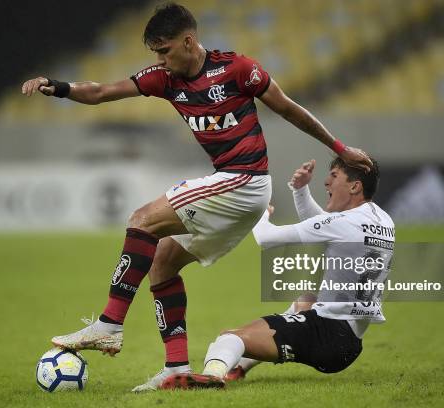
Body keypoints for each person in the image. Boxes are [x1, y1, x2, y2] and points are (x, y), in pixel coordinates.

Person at [21, 3, 372, 392]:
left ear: (188, 41)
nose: (160, 60)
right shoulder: (164, 79)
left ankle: (109, 324)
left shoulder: (238, 69)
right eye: (155, 52)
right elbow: (102, 91)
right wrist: (60, 87)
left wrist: (339, 146)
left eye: (165, 50)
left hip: (245, 180)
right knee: (162, 263)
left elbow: (289, 110)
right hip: (235, 192)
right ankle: (176, 368)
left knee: (141, 218)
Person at [161, 157, 395, 390]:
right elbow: (328, 225)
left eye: (334, 176)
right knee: (306, 301)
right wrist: (300, 190)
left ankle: (213, 376)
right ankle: (239, 368)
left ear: (355, 186)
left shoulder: (344, 223)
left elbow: (267, 238)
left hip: (327, 336)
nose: (326, 182)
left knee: (229, 338)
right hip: (352, 340)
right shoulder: (383, 220)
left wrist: (259, 214)